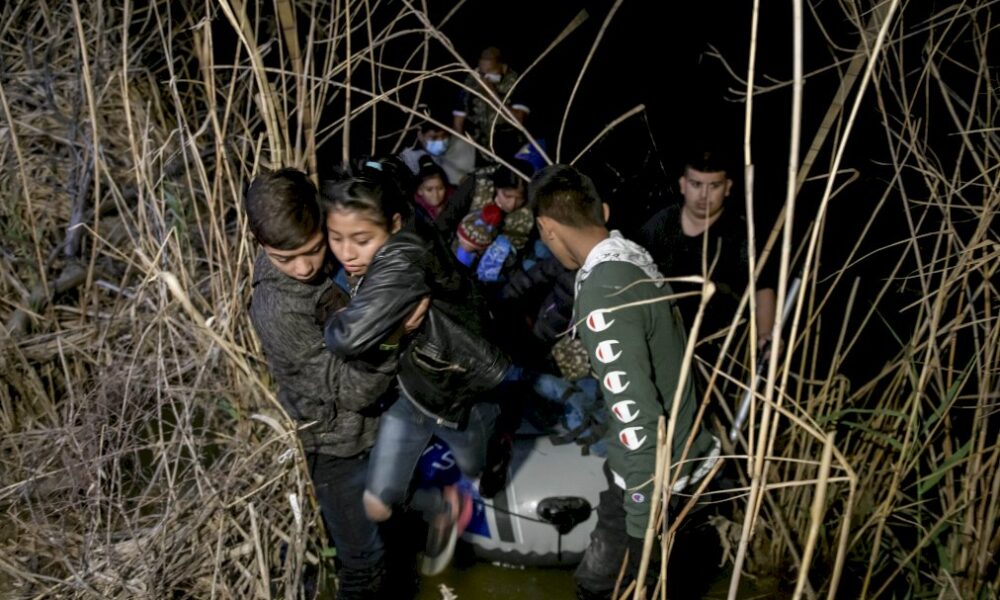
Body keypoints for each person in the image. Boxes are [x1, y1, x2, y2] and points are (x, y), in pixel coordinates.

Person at [529, 164, 721, 600]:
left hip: (658, 480)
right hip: (686, 461)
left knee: (598, 588)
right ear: (604, 211)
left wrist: (640, 537)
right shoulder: (627, 254)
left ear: (547, 228)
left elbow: (638, 423)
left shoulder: (602, 293)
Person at [319, 163, 511, 576]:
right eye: (336, 238)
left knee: (477, 468)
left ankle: (499, 443)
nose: (346, 253)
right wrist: (395, 334)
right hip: (412, 390)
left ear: (395, 223)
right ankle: (443, 507)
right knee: (375, 505)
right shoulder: (382, 245)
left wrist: (330, 321)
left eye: (361, 240)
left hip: (458, 395)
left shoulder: (405, 257)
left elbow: (346, 338)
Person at [244, 168, 428, 599]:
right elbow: (352, 389)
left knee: (400, 545)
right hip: (335, 448)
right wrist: (393, 338)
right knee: (363, 564)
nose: (305, 267)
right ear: (261, 245)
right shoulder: (277, 309)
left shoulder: (337, 242)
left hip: (383, 428)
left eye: (312, 249)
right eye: (284, 258)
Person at [637, 147, 777, 355]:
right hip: (663, 341)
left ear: (727, 187)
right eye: (696, 184)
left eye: (714, 186)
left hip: (721, 348)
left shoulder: (741, 235)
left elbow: (762, 287)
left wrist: (765, 334)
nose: (704, 195)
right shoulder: (659, 225)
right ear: (683, 184)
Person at [453, 46, 530, 156]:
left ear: (503, 67)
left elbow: (517, 120)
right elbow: (458, 123)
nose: (485, 77)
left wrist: (491, 93)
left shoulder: (517, 83)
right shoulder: (470, 81)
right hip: (478, 149)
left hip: (512, 149)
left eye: (490, 71)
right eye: (482, 72)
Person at [399, 111, 476, 186]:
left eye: (443, 136)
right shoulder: (408, 158)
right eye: (434, 138)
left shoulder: (459, 146)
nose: (440, 142)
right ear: (420, 135)